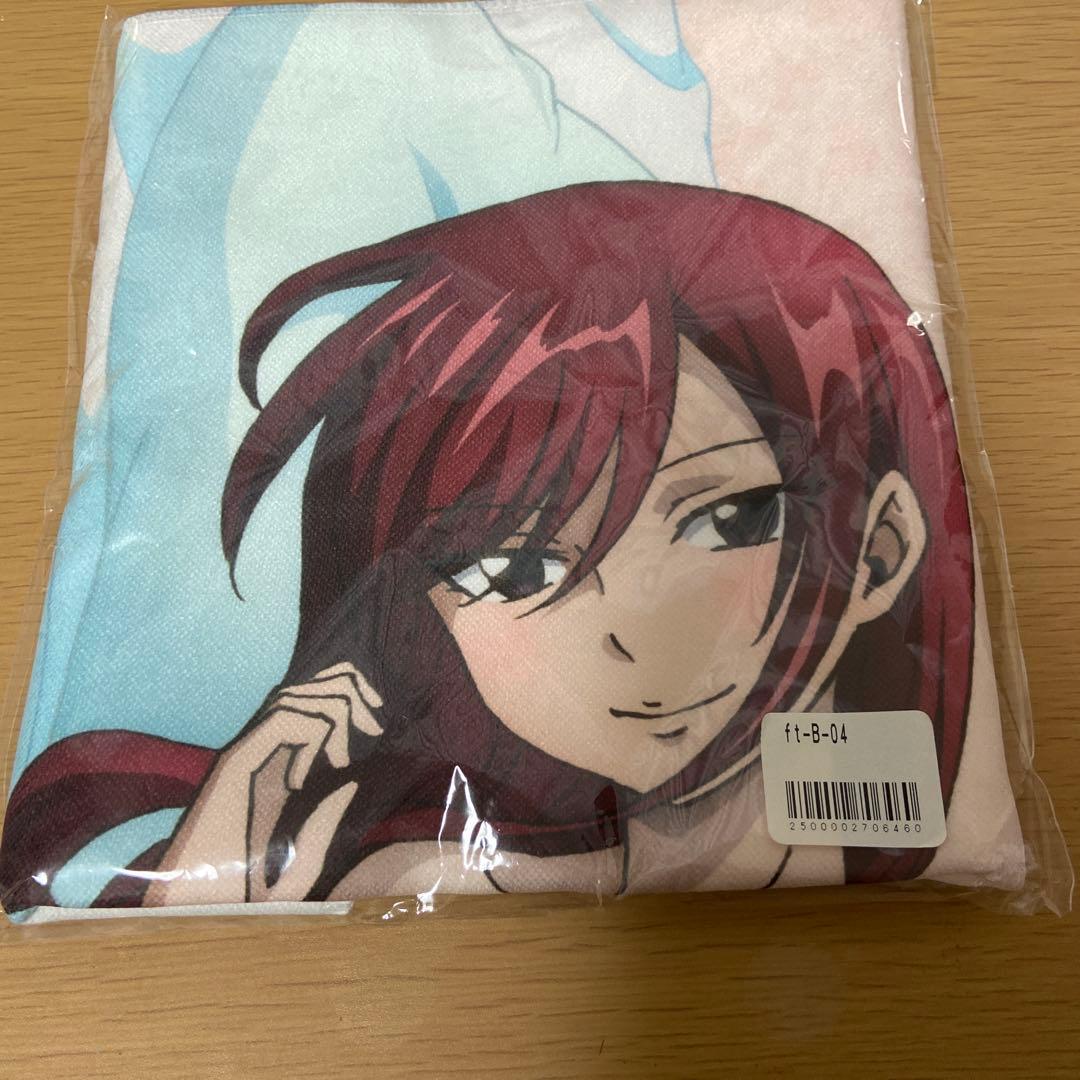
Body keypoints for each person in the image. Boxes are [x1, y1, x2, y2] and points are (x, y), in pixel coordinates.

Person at [0, 181, 973, 911]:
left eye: (726, 521)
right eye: (513, 568)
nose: (625, 638)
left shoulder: (908, 832)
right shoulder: (405, 868)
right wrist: (204, 875)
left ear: (881, 547)